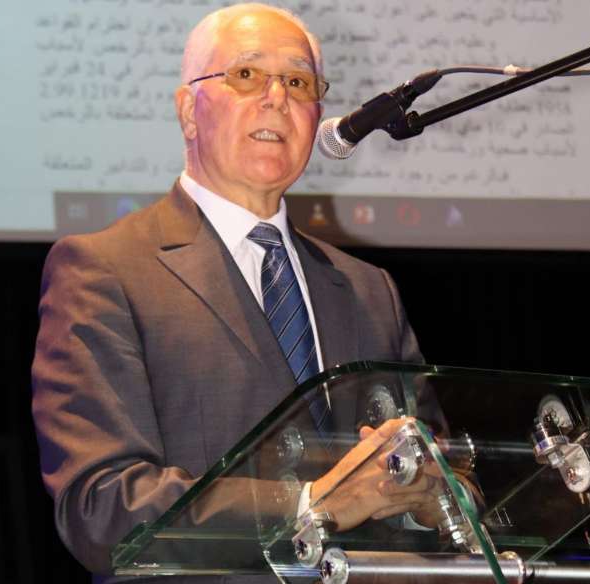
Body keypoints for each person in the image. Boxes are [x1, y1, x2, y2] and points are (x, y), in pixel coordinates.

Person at [32, 4, 443, 582]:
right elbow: (102, 507)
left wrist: (430, 496)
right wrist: (310, 504)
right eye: (246, 75)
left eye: (298, 82)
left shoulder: (368, 289)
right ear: (188, 111)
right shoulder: (106, 271)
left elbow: (442, 465)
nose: (277, 98)